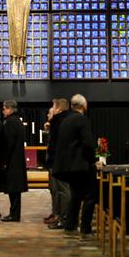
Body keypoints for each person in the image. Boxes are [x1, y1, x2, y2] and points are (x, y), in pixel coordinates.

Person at [52, 94, 101, 241]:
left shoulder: (66, 120)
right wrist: (94, 160)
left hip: (68, 166)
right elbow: (87, 143)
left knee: (76, 196)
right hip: (81, 166)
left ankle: (70, 226)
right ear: (85, 107)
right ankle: (85, 229)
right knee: (91, 197)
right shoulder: (82, 119)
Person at [45, 98, 71, 230]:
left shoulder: (61, 122)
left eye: (54, 108)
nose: (52, 111)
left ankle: (63, 217)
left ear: (59, 109)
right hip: (58, 161)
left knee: (62, 190)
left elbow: (58, 144)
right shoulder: (60, 121)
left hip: (60, 161)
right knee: (56, 190)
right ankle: (59, 216)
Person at [0, 100, 28, 221]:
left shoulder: (10, 122)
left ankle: (14, 214)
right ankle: (14, 213)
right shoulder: (18, 121)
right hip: (17, 159)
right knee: (15, 190)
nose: (3, 111)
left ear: (10, 109)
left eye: (4, 109)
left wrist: (4, 160)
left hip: (12, 161)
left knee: (14, 189)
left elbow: (8, 143)